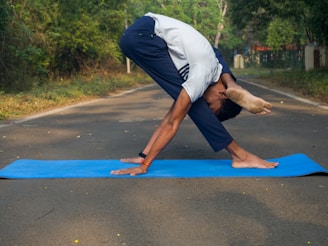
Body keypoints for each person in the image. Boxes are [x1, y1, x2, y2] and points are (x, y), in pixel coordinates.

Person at [111, 13, 278, 176]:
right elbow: (173, 122)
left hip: (140, 34)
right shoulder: (203, 74)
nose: (207, 104)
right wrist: (145, 166)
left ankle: (240, 152)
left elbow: (171, 115)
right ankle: (240, 155)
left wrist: (143, 157)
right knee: (194, 105)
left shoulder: (215, 65)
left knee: (184, 102)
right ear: (223, 95)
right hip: (144, 37)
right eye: (211, 105)